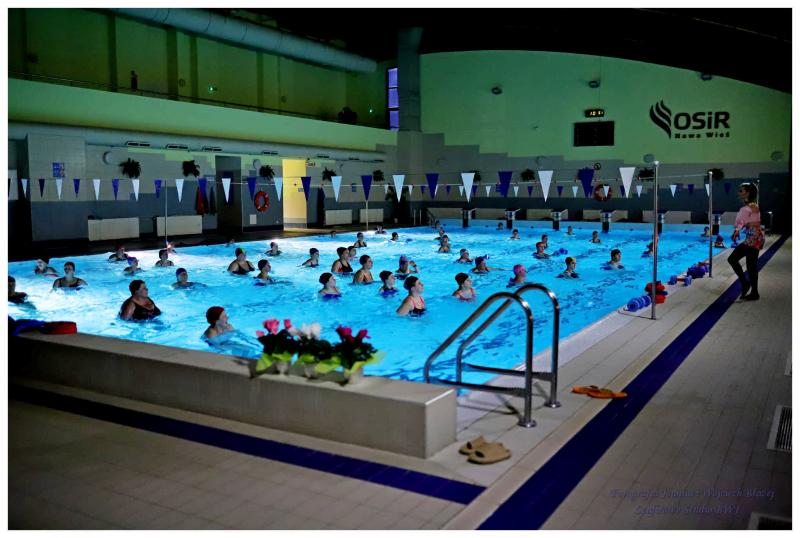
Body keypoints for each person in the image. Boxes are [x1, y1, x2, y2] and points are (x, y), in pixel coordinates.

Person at [728, 183, 764, 301]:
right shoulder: (753, 205)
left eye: (741, 191)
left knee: (733, 259)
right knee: (751, 266)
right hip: (757, 237)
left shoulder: (746, 208)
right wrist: (738, 230)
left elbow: (741, 222)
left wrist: (737, 231)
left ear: (747, 193)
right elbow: (746, 222)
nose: (739, 193)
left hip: (753, 239)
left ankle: (746, 284)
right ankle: (753, 291)